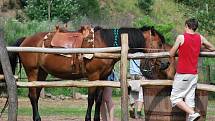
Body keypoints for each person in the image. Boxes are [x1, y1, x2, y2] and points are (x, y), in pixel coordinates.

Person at [169, 18, 215, 121]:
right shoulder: (200, 38)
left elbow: (171, 53)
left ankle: (192, 113)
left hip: (182, 74)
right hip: (193, 75)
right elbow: (212, 48)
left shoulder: (181, 37)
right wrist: (199, 48)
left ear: (186, 26)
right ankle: (191, 114)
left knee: (175, 98)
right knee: (189, 101)